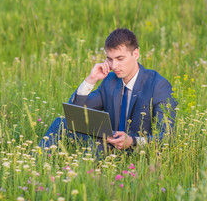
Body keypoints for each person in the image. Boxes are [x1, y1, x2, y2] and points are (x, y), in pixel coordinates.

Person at [39, 28, 177, 153]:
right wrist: (91, 79)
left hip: (138, 151)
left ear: (135, 54)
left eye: (120, 58)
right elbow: (74, 116)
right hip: (108, 145)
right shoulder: (110, 81)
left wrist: (132, 141)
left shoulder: (158, 85)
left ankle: (84, 175)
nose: (114, 65)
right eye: (110, 59)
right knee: (61, 123)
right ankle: (37, 167)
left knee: (97, 146)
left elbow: (167, 137)